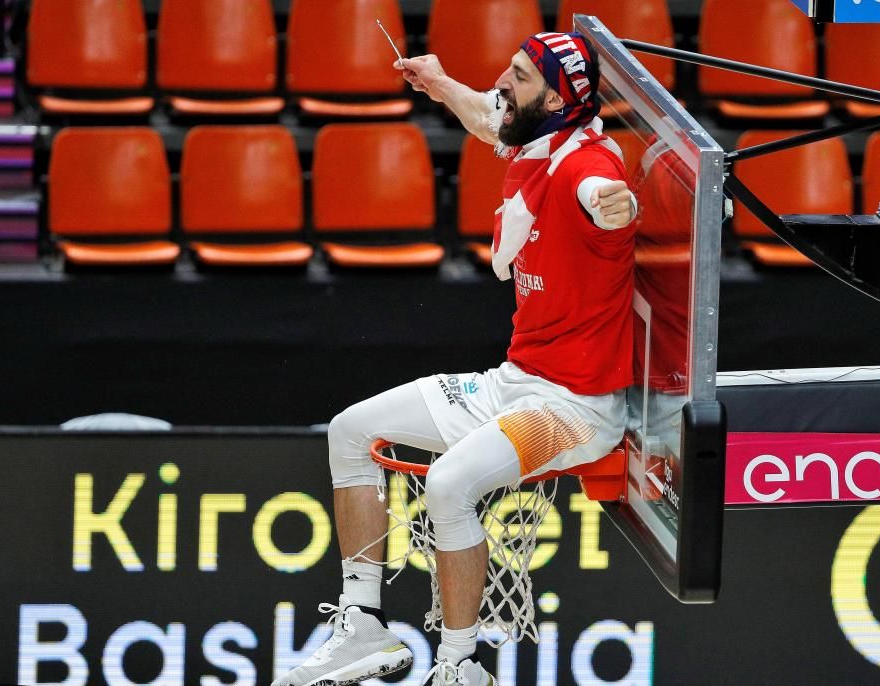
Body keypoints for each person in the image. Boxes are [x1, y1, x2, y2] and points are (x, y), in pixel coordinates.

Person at [272, 31, 637, 686]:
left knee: (447, 485)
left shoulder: (588, 171)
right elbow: (485, 115)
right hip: (515, 384)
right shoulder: (537, 138)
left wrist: (621, 209)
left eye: (521, 76)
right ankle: (363, 627)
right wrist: (439, 83)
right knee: (351, 430)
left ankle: (459, 667)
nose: (504, 81)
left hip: (578, 412)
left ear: (556, 97)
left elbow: (610, 200)